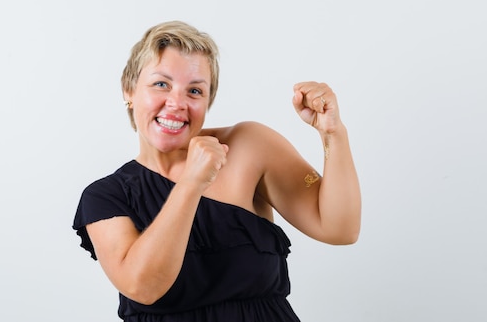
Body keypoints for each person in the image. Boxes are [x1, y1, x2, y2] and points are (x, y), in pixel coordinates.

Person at [72, 20, 361, 321]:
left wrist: (333, 134)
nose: (176, 103)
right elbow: (144, 287)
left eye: (195, 91)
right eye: (161, 84)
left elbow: (340, 229)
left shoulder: (249, 146)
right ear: (129, 91)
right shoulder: (106, 197)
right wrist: (191, 183)